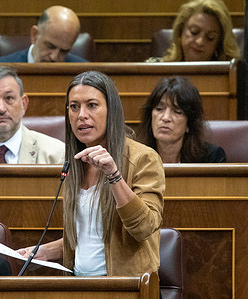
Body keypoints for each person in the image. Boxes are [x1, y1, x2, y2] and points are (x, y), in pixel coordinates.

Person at [18, 71, 165, 277]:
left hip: (126, 288)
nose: (82, 115)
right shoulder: (74, 162)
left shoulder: (143, 159)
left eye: (92, 105)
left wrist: (114, 175)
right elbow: (90, 237)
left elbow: (143, 228)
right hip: (80, 286)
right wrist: (46, 251)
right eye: (74, 106)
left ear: (111, 111)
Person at [137, 76, 226, 163]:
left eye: (177, 111)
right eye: (159, 109)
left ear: (189, 123)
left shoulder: (211, 158)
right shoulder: (135, 156)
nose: (165, 118)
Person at [148, 0, 241, 62]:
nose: (200, 42)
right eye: (194, 32)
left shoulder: (231, 75)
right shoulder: (155, 67)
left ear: (219, 43)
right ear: (181, 31)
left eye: (210, 38)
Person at [0, 6, 87, 63]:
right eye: (50, 46)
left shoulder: (84, 72)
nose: (54, 57)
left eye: (64, 51)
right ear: (34, 35)